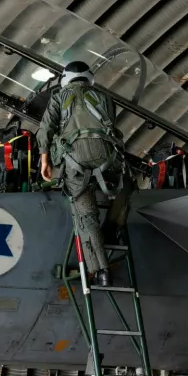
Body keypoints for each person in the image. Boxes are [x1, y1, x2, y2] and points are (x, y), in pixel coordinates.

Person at [37, 61, 129, 287]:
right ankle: (113, 228)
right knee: (126, 187)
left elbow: (45, 130)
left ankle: (100, 270)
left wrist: (45, 161)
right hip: (108, 158)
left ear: (65, 79)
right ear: (90, 78)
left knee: (86, 216)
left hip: (75, 160)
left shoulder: (59, 97)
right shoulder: (105, 97)